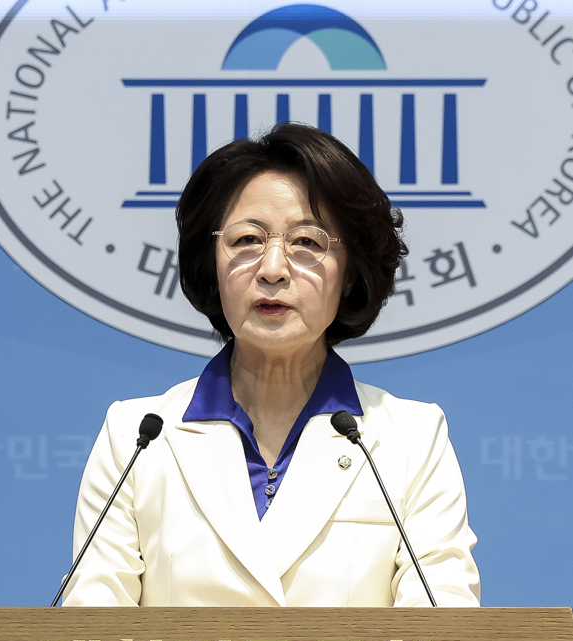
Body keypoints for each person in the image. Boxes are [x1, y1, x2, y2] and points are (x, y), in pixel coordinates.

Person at [63, 124, 480, 608]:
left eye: (307, 242)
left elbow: (443, 628)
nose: (273, 269)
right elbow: (90, 630)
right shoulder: (137, 437)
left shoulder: (411, 439)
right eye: (247, 240)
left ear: (350, 274)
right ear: (211, 263)